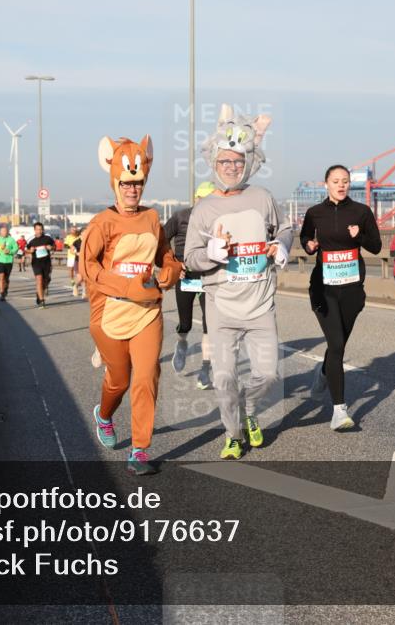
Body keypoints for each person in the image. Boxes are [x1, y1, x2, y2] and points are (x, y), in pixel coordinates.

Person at [183, 105, 292, 460]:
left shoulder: (262, 198)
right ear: (213, 164)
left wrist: (282, 248)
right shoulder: (204, 209)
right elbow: (190, 259)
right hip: (222, 309)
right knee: (225, 378)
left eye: (237, 162)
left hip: (260, 306)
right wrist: (212, 254)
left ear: (247, 163)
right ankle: (233, 433)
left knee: (269, 375)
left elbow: (286, 229)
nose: (231, 168)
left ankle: (248, 412)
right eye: (224, 162)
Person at [82, 134, 181, 475]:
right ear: (115, 181)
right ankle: (104, 415)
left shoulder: (152, 218)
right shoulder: (101, 223)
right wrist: (124, 286)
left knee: (146, 377)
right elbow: (88, 268)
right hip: (109, 314)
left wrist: (169, 273)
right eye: (126, 184)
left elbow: (167, 257)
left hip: (147, 313)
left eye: (137, 184)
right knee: (119, 381)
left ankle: (140, 449)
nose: (132, 190)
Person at [300, 165, 382, 431]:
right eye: (336, 181)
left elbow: (377, 246)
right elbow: (305, 237)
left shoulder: (361, 212)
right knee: (336, 345)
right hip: (324, 289)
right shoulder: (315, 213)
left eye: (345, 181)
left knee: (339, 345)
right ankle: (339, 410)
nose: (341, 185)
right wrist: (308, 246)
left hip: (351, 290)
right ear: (326, 184)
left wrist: (361, 235)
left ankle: (323, 372)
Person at [164, 181, 216, 390]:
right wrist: (173, 263)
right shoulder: (180, 217)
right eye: (203, 199)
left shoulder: (219, 220)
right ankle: (182, 343)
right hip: (185, 275)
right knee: (185, 323)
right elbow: (161, 240)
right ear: (196, 199)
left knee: (208, 325)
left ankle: (204, 371)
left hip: (208, 276)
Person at [27, 222, 56, 308]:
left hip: (46, 263)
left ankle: (38, 293)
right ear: (34, 230)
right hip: (36, 263)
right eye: (37, 229)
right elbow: (25, 250)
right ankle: (42, 301)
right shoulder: (30, 240)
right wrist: (30, 251)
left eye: (40, 229)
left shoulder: (48, 238)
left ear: (42, 230)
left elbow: (54, 246)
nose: (39, 231)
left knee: (46, 281)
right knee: (39, 280)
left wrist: (51, 248)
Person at [0, 224, 19, 301]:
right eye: (2, 231)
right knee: (1, 276)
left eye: (5, 231)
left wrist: (10, 251)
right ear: (0, 232)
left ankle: (6, 288)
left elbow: (16, 248)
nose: (4, 232)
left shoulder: (11, 239)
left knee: (6, 278)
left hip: (8, 261)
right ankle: (2, 293)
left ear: (7, 232)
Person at [64, 227, 81, 296]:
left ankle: (78, 281)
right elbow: (65, 245)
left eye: (75, 230)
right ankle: (72, 281)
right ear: (70, 231)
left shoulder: (79, 237)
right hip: (71, 255)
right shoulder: (68, 237)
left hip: (78, 256)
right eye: (72, 230)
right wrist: (71, 247)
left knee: (78, 270)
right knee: (71, 269)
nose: (74, 231)